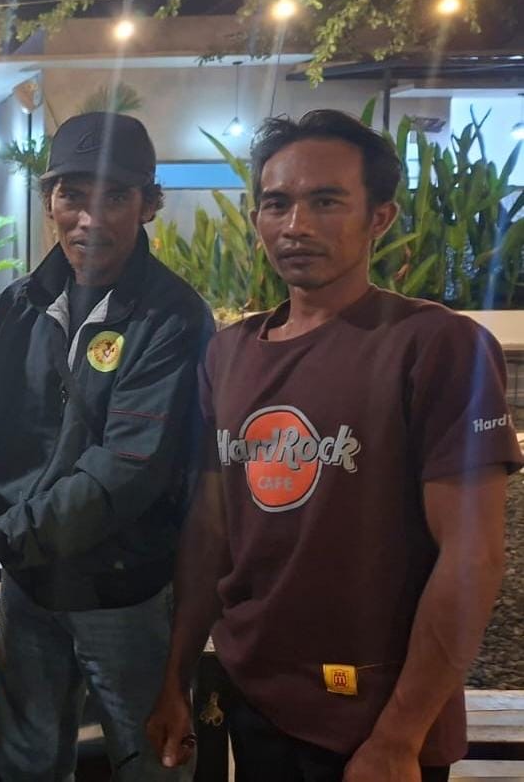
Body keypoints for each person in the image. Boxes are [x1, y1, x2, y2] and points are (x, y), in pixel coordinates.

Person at [146, 109, 521, 781]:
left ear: (380, 216)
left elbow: (473, 557)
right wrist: (176, 677)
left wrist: (400, 737)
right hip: (253, 696)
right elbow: (211, 531)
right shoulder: (229, 355)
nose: (296, 225)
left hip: (374, 717)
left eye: (325, 202)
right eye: (277, 203)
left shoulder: (437, 347)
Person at [0, 112, 212, 781]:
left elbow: (123, 474)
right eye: (72, 195)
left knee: (152, 764)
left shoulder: (172, 317)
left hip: (125, 595)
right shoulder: (18, 306)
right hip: (30, 586)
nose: (90, 219)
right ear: (48, 201)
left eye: (114, 197)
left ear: (149, 204)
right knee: (28, 762)